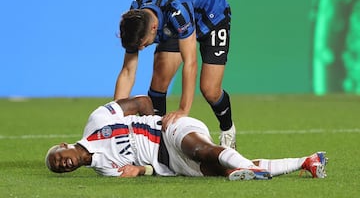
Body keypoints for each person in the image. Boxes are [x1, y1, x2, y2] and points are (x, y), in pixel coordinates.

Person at [45, 96, 328, 180]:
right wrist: (140, 170)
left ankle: (251, 170)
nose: (63, 164)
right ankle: (308, 161)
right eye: (60, 168)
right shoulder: (104, 170)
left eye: (58, 159)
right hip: (171, 165)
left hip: (169, 132)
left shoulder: (97, 121)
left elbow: (141, 102)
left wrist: (159, 118)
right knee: (224, 170)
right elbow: (145, 170)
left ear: (62, 146)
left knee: (202, 150)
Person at [114, 0, 236, 149]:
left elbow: (190, 62)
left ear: (153, 28)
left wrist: (182, 110)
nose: (140, 49)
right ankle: (156, 145)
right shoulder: (135, 17)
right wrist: (115, 117)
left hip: (212, 18)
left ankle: (228, 130)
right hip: (171, 22)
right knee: (159, 80)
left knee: (210, 90)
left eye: (142, 44)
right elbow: (127, 71)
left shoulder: (178, 9)